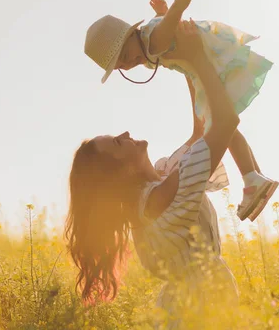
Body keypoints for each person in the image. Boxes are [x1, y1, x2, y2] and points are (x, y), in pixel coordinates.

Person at [67, 20, 240, 328]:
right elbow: (224, 124)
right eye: (118, 143)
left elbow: (200, 131)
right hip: (197, 310)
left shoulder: (161, 177)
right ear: (121, 171)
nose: (126, 132)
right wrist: (199, 57)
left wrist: (186, 64)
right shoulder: (160, 198)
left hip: (196, 302)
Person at [84, 0, 278, 221]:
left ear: (133, 35)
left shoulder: (154, 40)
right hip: (202, 67)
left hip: (210, 61)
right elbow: (167, 20)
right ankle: (253, 176)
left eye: (126, 54)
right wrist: (162, 12)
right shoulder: (150, 39)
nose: (129, 63)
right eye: (122, 65)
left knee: (220, 125)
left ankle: (251, 177)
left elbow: (179, 9)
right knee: (220, 125)